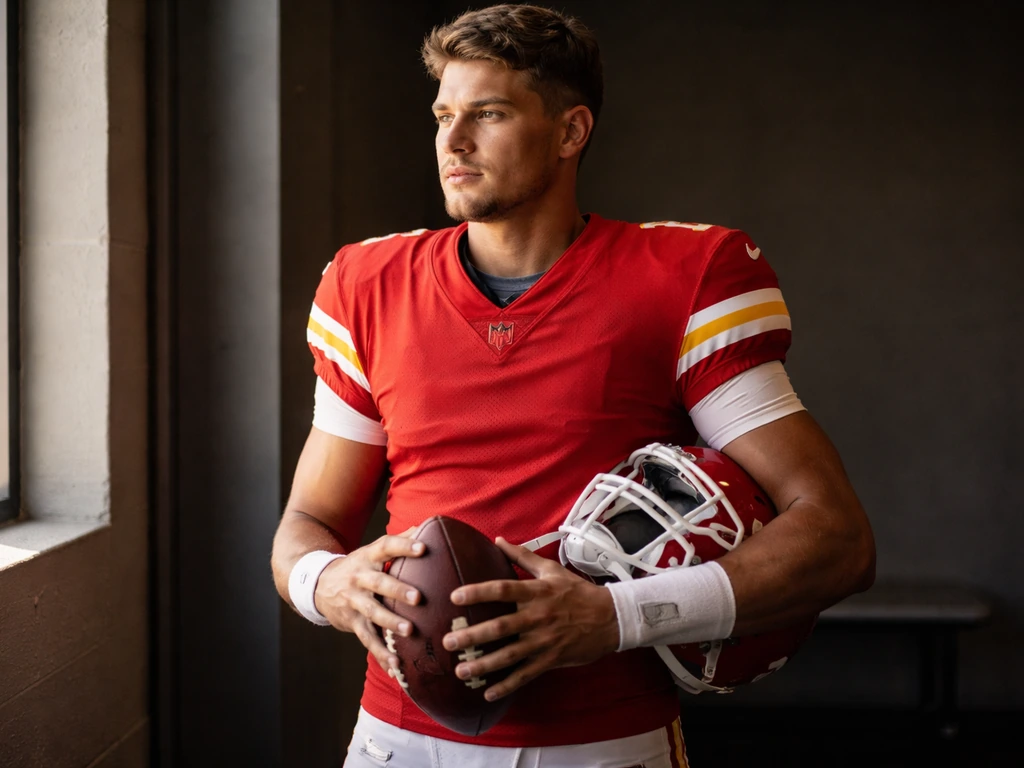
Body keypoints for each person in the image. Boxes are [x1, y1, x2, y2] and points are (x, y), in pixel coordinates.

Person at [270, 4, 875, 767]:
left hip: (603, 741)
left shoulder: (680, 279)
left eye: (486, 114)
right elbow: (305, 523)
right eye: (443, 115)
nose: (451, 142)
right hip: (395, 740)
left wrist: (614, 616)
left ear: (569, 132)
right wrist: (331, 584)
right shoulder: (368, 284)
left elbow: (837, 539)